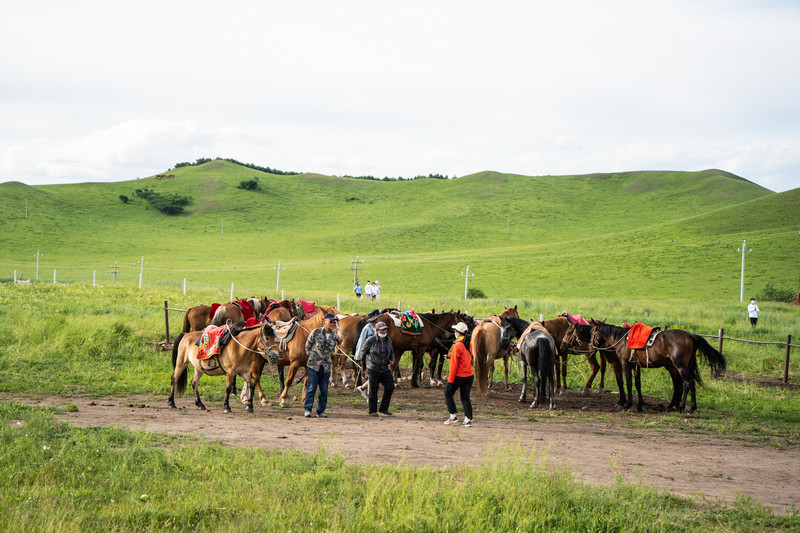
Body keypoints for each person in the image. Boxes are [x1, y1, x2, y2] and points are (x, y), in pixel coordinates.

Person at [303, 313, 340, 418]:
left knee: (324, 390)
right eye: (331, 321)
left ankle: (320, 411)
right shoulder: (316, 332)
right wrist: (312, 357)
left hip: (326, 366)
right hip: (314, 365)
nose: (333, 324)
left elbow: (336, 346)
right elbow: (307, 346)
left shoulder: (334, 336)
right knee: (311, 388)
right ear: (324, 322)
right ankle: (308, 409)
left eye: (334, 322)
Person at [359, 321, 395, 417]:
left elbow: (391, 351)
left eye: (385, 329)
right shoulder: (370, 340)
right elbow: (363, 353)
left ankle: (383, 408)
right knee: (373, 389)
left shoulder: (388, 340)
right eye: (382, 330)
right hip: (373, 368)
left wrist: (392, 359)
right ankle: (372, 410)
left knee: (390, 387)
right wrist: (363, 366)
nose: (384, 331)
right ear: (377, 330)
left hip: (384, 368)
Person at [444, 321, 474, 427]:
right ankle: (468, 419)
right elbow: (463, 355)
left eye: (455, 331)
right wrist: (449, 356)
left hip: (459, 376)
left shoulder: (457, 346)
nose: (454, 332)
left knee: (448, 393)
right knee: (465, 397)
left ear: (458, 333)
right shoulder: (468, 344)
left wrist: (450, 380)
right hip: (469, 375)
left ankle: (453, 416)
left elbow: (454, 365)